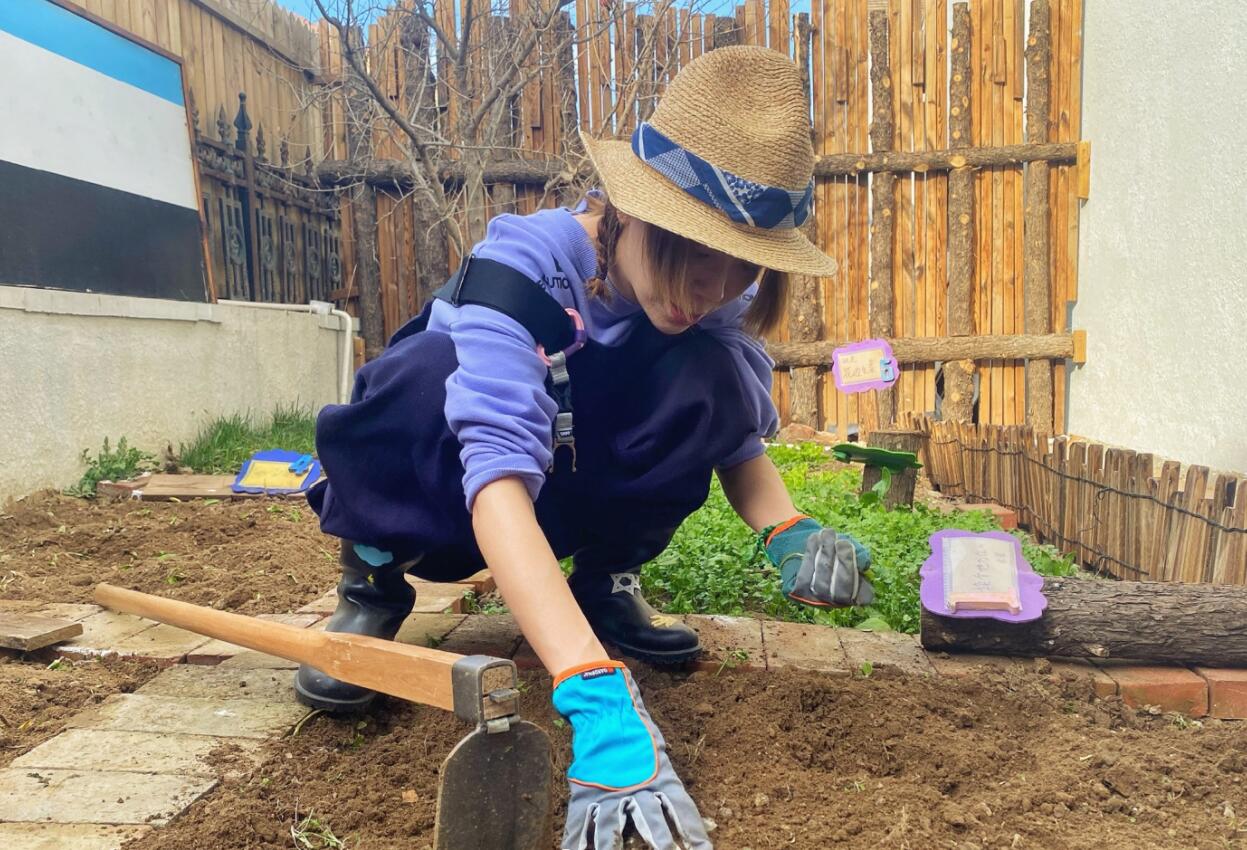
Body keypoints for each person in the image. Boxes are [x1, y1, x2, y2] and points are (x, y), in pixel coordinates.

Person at [300, 45, 874, 850]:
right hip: (446, 499)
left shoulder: (705, 308)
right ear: (631, 210)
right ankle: (371, 581)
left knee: (710, 370)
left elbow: (730, 432)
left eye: (743, 269)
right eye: (697, 253)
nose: (713, 290)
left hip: (562, 493)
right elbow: (495, 474)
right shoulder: (525, 270)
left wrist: (789, 529)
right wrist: (586, 683)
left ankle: (606, 582)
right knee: (430, 370)